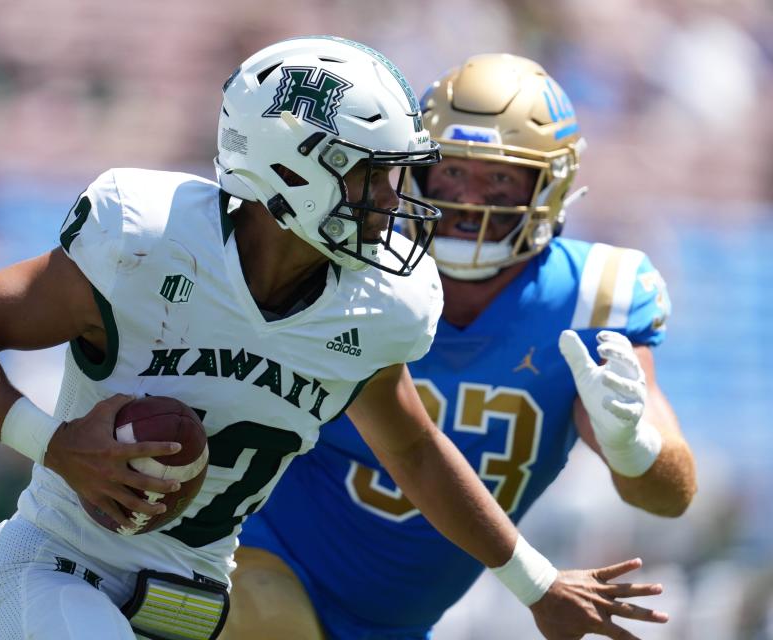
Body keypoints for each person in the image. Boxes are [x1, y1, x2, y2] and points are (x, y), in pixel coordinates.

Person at [0, 39, 669, 640]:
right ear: (295, 171)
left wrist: (539, 585)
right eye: (375, 177)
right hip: (60, 566)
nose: (397, 203)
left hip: (191, 603)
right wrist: (55, 441)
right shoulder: (149, 238)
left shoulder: (378, 305)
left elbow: (415, 453)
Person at [227, 53, 698, 640]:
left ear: (548, 186)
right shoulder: (353, 260)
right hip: (268, 555)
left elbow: (668, 497)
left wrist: (630, 443)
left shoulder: (593, 299)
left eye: (500, 178)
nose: (469, 199)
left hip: (403, 620)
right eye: (452, 172)